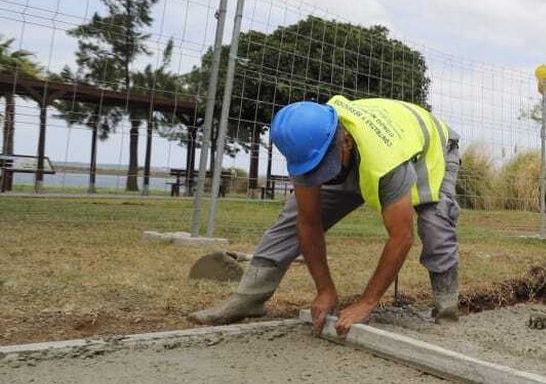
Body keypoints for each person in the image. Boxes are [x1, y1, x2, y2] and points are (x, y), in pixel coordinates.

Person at [190, 96, 460, 335]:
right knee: (291, 217)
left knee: (435, 224)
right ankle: (249, 296)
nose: (322, 177)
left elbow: (401, 236)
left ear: (345, 141)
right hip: (364, 148)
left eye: (325, 167)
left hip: (429, 147)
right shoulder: (307, 140)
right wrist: (325, 289)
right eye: (313, 170)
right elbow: (308, 223)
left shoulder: (384, 160)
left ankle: (446, 310)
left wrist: (367, 302)